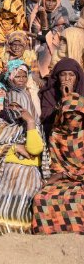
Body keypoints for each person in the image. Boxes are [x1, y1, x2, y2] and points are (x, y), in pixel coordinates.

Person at [0, 98, 49, 237]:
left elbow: (35, 150)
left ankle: (21, 242)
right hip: (4, 174)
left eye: (18, 106)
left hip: (28, 176)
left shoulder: (34, 126)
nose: (14, 109)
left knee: (20, 209)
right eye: (10, 106)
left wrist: (30, 122)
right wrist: (14, 147)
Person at [32, 92, 84, 234]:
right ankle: (47, 233)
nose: (73, 120)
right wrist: (59, 176)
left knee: (79, 197)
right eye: (69, 116)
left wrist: (70, 174)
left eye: (77, 117)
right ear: (62, 116)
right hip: (62, 178)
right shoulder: (56, 135)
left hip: (80, 178)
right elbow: (55, 164)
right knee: (41, 198)